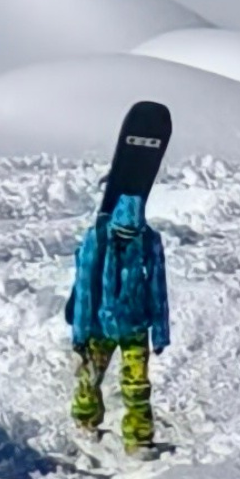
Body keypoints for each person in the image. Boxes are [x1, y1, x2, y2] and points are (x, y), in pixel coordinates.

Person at [67, 190, 170, 455]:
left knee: (137, 386)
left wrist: (160, 333)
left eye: (131, 235)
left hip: (135, 326)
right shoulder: (97, 240)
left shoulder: (149, 242)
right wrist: (79, 336)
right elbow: (85, 291)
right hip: (99, 326)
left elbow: (158, 288)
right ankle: (85, 422)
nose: (126, 241)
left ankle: (138, 439)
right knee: (88, 379)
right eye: (122, 234)